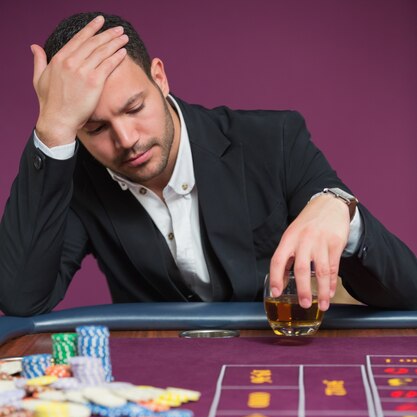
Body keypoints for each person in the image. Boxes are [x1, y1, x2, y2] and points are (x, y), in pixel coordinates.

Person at [1, 11, 416, 317]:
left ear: (159, 78)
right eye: (94, 128)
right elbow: (20, 299)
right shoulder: (74, 177)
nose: (126, 140)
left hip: (281, 364)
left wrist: (344, 212)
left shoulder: (275, 141)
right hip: (159, 380)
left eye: (134, 107)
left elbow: (409, 292)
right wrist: (53, 131)